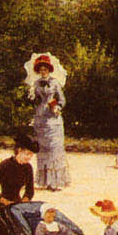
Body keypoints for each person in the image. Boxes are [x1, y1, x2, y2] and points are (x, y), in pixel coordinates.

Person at [29, 55, 69, 190]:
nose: (43, 71)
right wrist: (31, 96)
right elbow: (34, 102)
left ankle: (56, 181)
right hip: (41, 117)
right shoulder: (35, 84)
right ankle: (45, 180)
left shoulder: (55, 83)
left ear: (49, 70)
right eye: (41, 69)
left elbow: (62, 100)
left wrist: (57, 106)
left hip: (53, 117)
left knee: (54, 148)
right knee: (43, 149)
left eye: (45, 69)